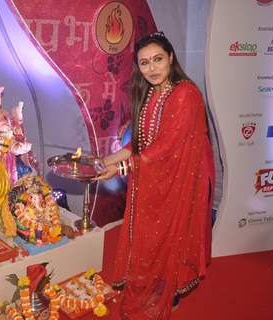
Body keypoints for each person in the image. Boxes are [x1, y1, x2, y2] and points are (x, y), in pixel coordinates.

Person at [95, 31, 214, 319]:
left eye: (158, 59)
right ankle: (157, 279)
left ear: (171, 58)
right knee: (151, 231)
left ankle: (171, 285)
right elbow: (141, 139)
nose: (152, 68)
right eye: (145, 63)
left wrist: (122, 168)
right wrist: (109, 159)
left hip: (181, 176)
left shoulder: (186, 93)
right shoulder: (150, 93)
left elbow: (166, 145)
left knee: (172, 231)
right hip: (154, 174)